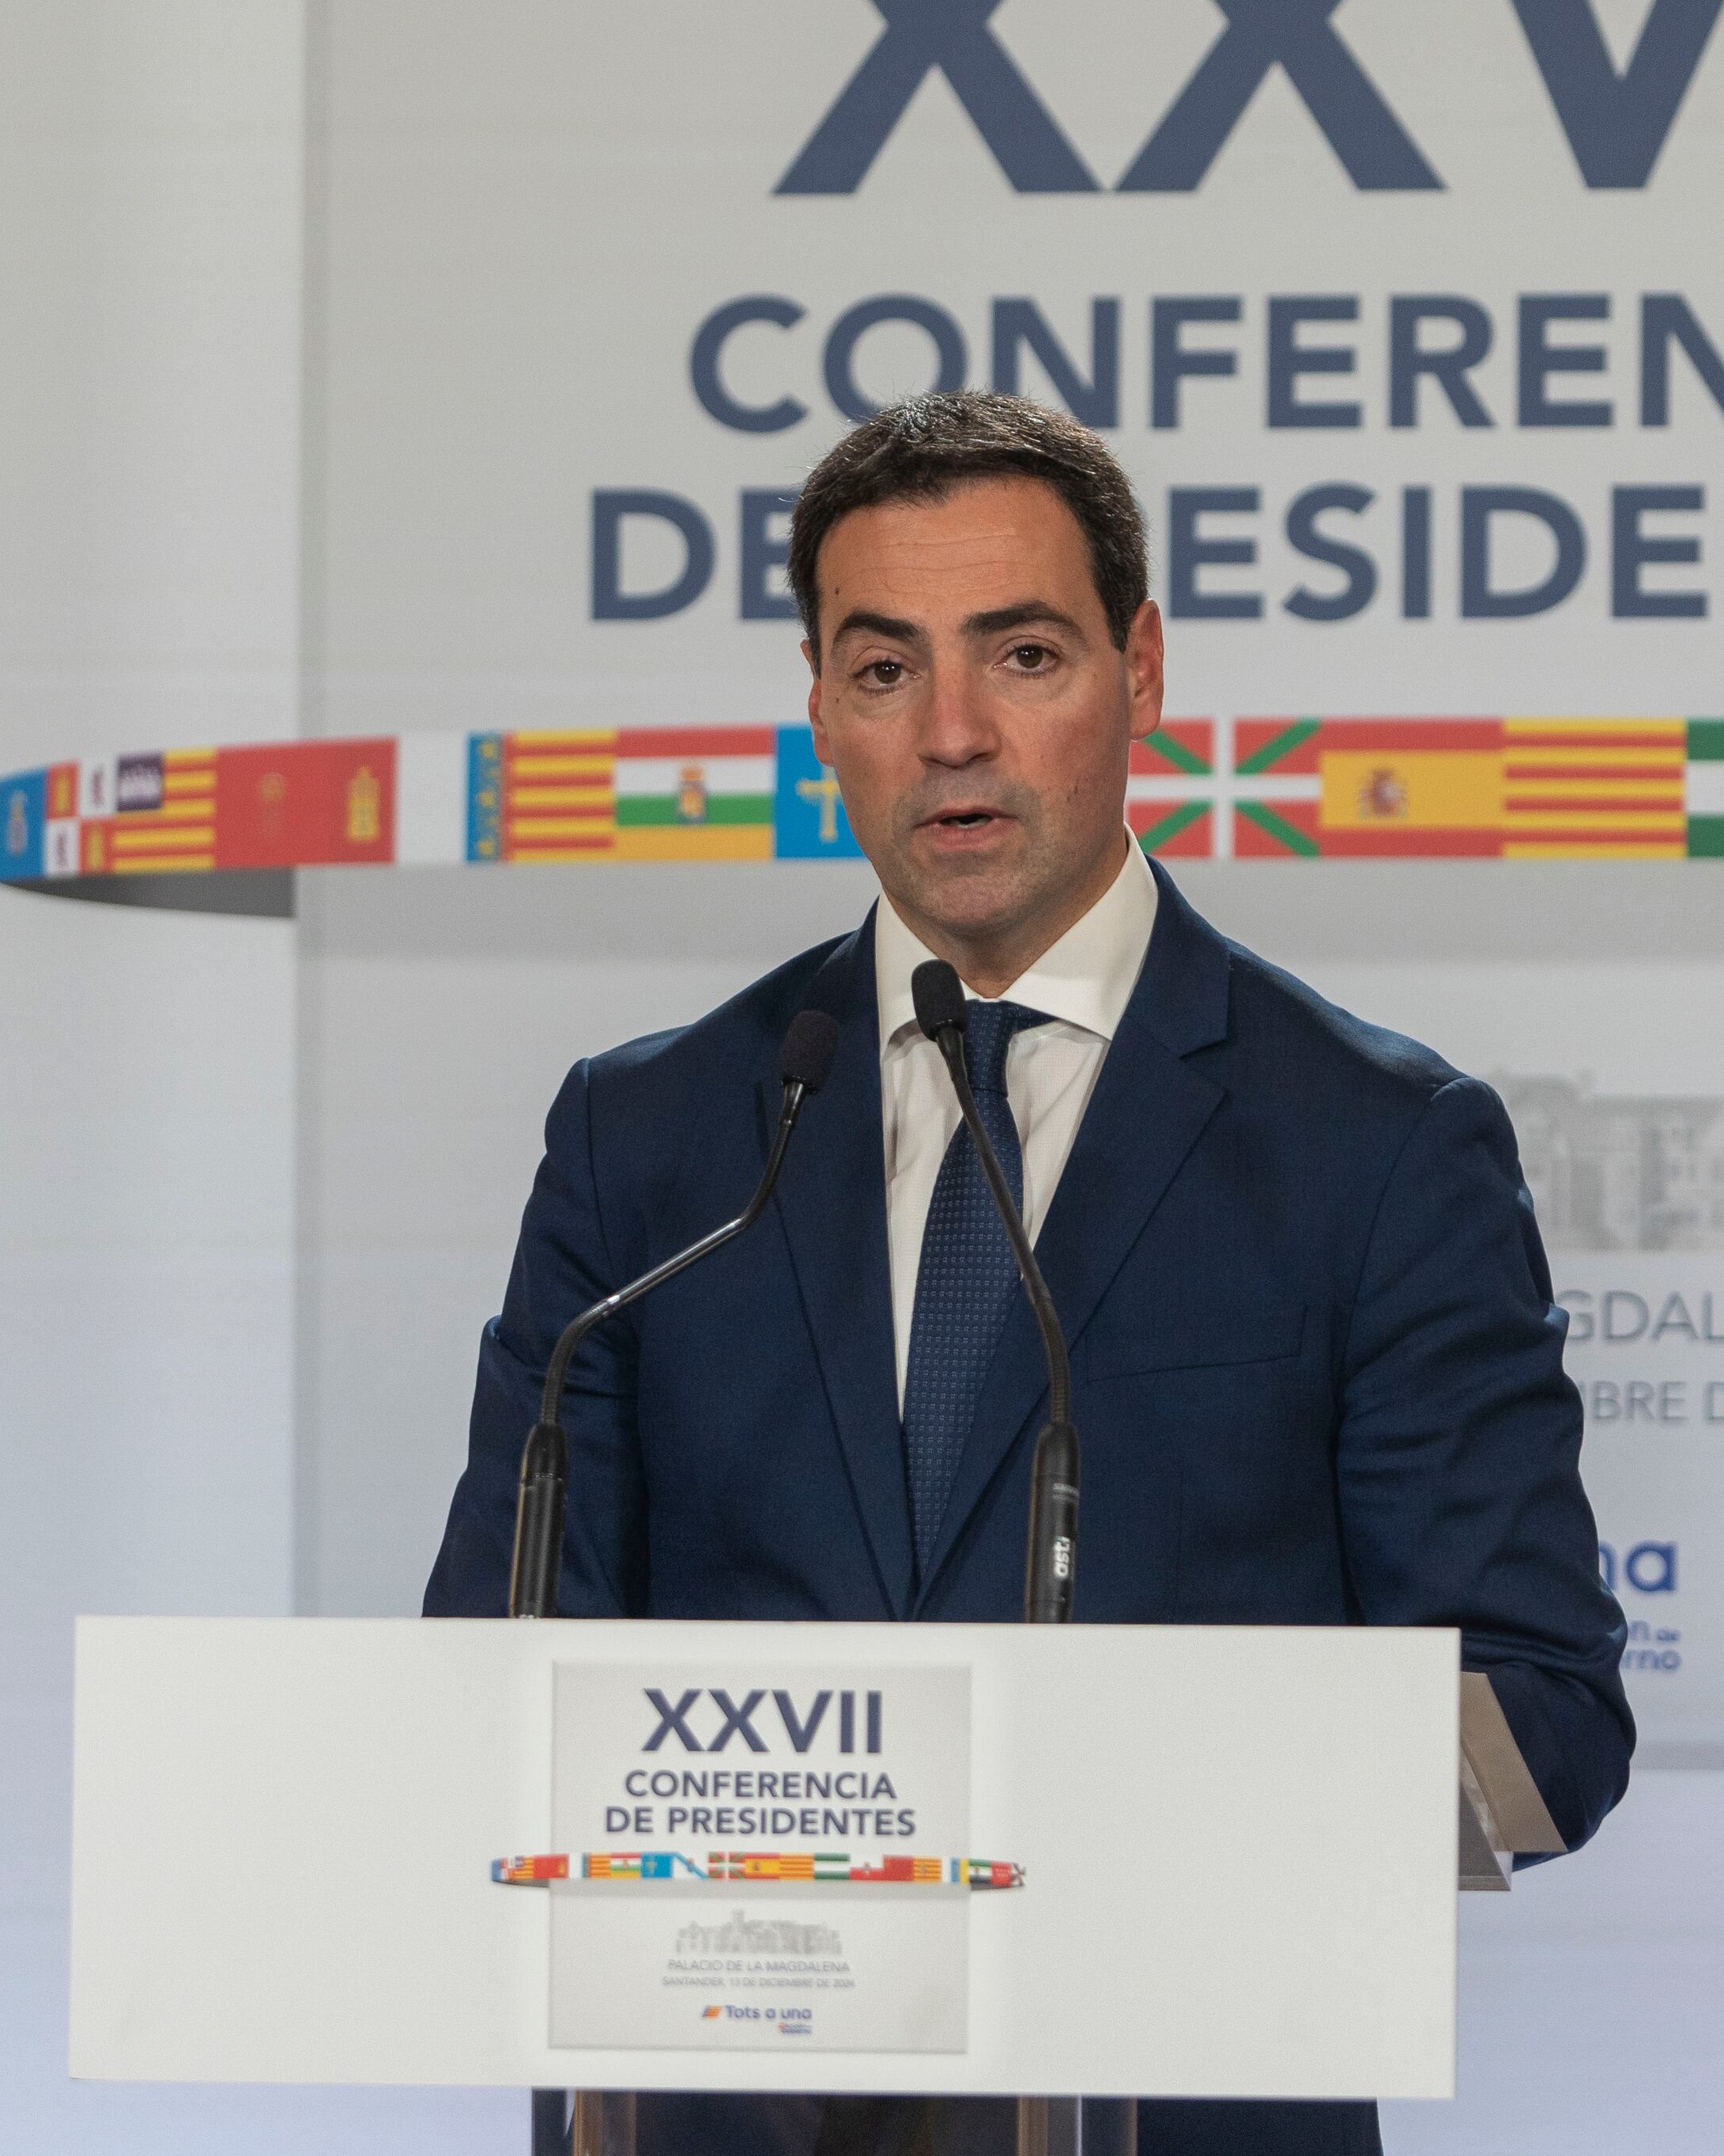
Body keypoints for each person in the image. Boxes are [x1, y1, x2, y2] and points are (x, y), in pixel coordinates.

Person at [422, 391, 1633, 2156]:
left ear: (1141, 671)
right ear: (822, 711)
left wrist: (1099, 1828)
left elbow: (1541, 1715)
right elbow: (494, 1676)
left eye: (1026, 653)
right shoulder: (655, 1139)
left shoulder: (1373, 1145)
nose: (956, 735)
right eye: (885, 668)